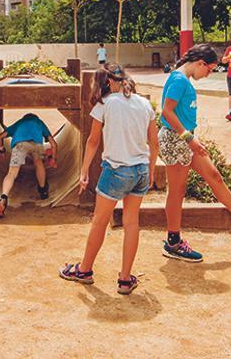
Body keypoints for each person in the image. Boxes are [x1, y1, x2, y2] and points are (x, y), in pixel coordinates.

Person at [160, 45, 231, 264]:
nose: (208, 74)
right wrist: (189, 138)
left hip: (185, 138)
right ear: (200, 63)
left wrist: (191, 137)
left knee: (214, 175)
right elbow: (166, 111)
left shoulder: (182, 79)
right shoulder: (179, 80)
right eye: (210, 69)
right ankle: (173, 242)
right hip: (177, 140)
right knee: (177, 192)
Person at [59, 65, 157, 295]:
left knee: (100, 221)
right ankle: (125, 280)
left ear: (108, 82)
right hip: (141, 169)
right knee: (132, 222)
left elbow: (93, 141)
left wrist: (83, 172)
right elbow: (153, 142)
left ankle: (84, 270)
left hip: (116, 170)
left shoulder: (105, 104)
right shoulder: (144, 103)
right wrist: (151, 171)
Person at [0, 112, 57, 218]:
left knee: (12, 173)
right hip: (36, 144)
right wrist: (53, 158)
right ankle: (43, 191)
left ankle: (3, 198)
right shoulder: (39, 123)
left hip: (20, 144)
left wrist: (1, 150)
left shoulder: (20, 123)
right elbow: (53, 144)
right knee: (38, 163)